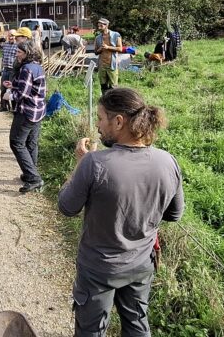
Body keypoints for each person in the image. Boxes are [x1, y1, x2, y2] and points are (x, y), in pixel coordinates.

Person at [58, 88, 184, 337]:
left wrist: (80, 165)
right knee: (137, 324)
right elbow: (174, 214)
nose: (97, 125)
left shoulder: (95, 164)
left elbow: (67, 207)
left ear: (118, 121)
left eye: (101, 118)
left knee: (91, 330)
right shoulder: (167, 161)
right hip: (140, 263)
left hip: (98, 269)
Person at [3, 40, 47, 193]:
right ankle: (30, 173)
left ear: (27, 53)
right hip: (38, 111)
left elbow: (22, 94)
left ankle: (34, 178)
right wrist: (13, 85)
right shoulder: (37, 67)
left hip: (27, 111)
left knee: (16, 143)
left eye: (19, 52)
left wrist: (9, 96)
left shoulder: (26, 69)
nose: (17, 55)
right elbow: (31, 88)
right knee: (31, 144)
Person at [93, 18, 123, 94]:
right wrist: (100, 49)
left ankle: (113, 103)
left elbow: (120, 49)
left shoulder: (116, 35)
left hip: (112, 65)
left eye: (101, 25)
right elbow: (96, 52)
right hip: (102, 66)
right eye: (98, 25)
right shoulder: (98, 38)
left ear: (106, 25)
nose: (99, 27)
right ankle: (104, 103)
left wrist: (108, 47)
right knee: (103, 86)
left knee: (113, 87)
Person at [0, 32, 18, 113]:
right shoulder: (5, 45)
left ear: (15, 36)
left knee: (12, 89)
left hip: (13, 70)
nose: (11, 37)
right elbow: (3, 58)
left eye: (12, 35)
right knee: (3, 89)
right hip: (5, 70)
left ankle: (14, 107)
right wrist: (1, 69)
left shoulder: (18, 46)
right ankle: (3, 106)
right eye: (9, 35)